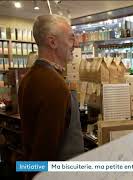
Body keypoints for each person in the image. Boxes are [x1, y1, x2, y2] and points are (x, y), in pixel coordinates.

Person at [18, 14, 84, 178]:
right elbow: (45, 152)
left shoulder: (28, 78)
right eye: (70, 39)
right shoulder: (55, 86)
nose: (75, 44)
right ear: (52, 42)